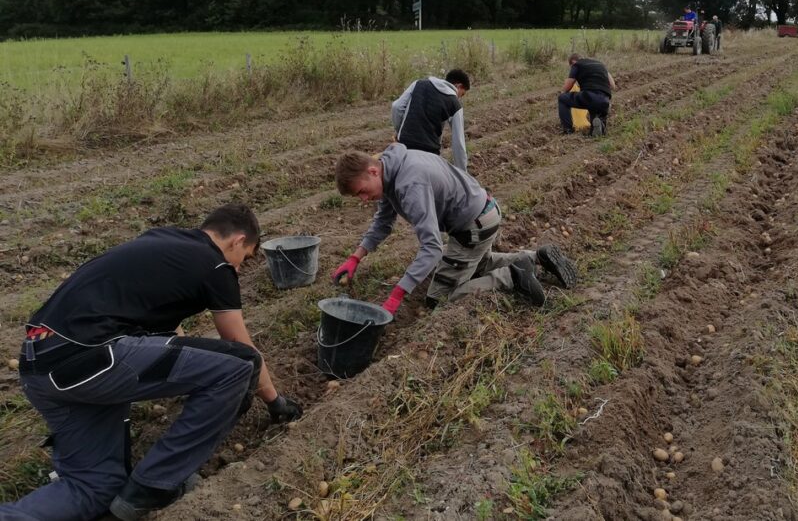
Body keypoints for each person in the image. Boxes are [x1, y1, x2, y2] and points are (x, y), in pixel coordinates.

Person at [1, 204, 302, 521]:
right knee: (239, 366)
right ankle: (153, 487)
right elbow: (242, 347)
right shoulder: (215, 266)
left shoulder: (161, 241)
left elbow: (172, 336)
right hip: (88, 357)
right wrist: (275, 401)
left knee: (94, 486)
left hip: (38, 363)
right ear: (237, 241)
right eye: (247, 257)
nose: (240, 268)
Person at [332, 146, 578, 312]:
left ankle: (511, 277)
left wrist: (398, 292)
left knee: (439, 300)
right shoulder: (390, 167)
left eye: (361, 192)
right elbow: (383, 222)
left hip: (473, 226)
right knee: (477, 264)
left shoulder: (410, 185)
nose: (364, 199)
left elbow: (431, 247)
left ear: (372, 171)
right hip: (484, 213)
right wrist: (356, 257)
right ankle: (535, 258)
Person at [391, 69, 470, 172]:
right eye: (462, 94)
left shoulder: (418, 84)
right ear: (458, 86)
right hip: (429, 153)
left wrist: (399, 132)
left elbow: (397, 107)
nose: (459, 98)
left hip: (405, 145)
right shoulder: (455, 104)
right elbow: (458, 144)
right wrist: (463, 175)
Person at [557, 53, 616, 137]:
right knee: (595, 124)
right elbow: (613, 85)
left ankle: (568, 130)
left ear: (573, 62)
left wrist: (563, 92)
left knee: (562, 98)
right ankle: (599, 125)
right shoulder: (600, 65)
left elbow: (567, 87)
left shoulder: (577, 65)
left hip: (589, 97)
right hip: (605, 100)